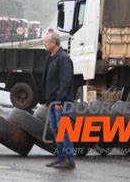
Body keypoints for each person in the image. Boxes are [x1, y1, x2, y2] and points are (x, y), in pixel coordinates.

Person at [41, 31, 75, 169]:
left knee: (64, 131)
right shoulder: (51, 57)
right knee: (56, 130)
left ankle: (69, 160)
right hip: (52, 102)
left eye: (46, 42)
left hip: (61, 102)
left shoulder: (63, 58)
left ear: (54, 43)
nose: (44, 43)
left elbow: (65, 81)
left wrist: (60, 101)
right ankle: (61, 158)